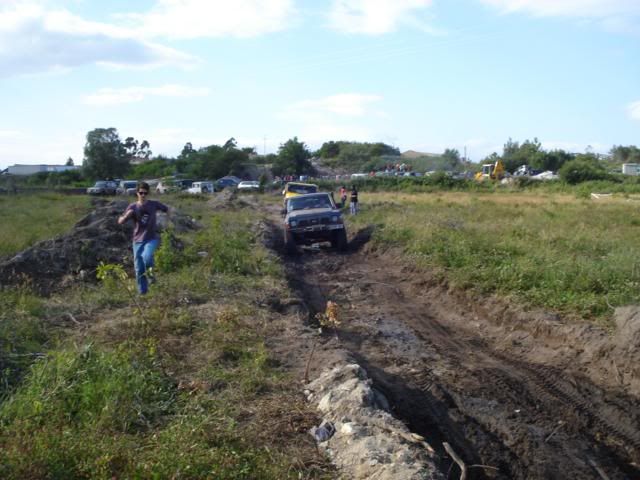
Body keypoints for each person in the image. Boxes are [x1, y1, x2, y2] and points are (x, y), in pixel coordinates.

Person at [117, 181, 168, 294]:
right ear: (137, 193)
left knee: (147, 257)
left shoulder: (153, 204)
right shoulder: (133, 207)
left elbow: (167, 209)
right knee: (139, 268)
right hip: (137, 240)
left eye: (145, 193)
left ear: (148, 193)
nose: (143, 195)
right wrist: (126, 216)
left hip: (151, 238)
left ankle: (150, 276)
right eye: (141, 193)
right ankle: (143, 293)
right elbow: (120, 221)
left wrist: (167, 222)